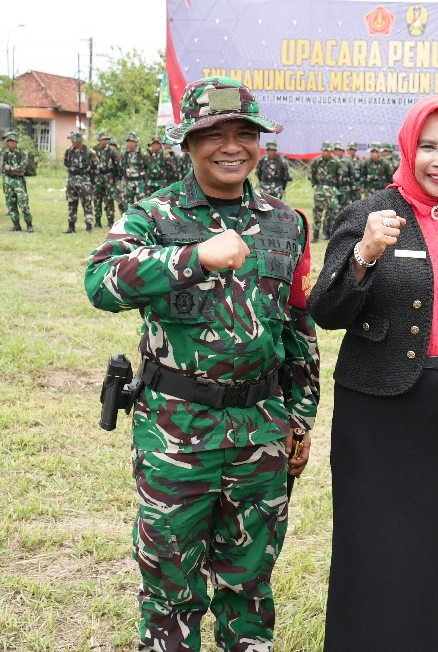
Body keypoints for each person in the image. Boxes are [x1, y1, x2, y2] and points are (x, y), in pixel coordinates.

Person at [85, 75, 318, 652]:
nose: (231, 147)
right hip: (176, 432)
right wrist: (192, 258)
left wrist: (301, 418)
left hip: (260, 430)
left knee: (250, 581)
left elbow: (297, 327)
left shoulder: (285, 222)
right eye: (214, 134)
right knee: (171, 581)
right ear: (188, 142)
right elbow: (100, 282)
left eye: (245, 134)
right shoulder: (154, 216)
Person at [309, 94, 438, 652]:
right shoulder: (371, 214)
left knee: (430, 542)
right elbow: (325, 310)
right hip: (376, 410)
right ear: (408, 148)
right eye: (428, 146)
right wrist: (364, 254)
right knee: (370, 543)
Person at [0, 132, 33, 233]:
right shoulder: (4, 153)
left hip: (19, 182)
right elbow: (1, 167)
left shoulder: (22, 153)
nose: (11, 143)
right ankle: (16, 225)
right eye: (9, 141)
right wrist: (13, 169)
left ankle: (29, 225)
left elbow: (22, 167)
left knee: (23, 204)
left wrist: (9, 168)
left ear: (16, 142)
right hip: (8, 183)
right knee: (11, 205)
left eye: (13, 141)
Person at [308, 141, 341, 242]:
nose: (326, 153)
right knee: (317, 212)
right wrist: (315, 184)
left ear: (331, 151)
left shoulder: (336, 162)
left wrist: (336, 188)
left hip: (332, 190)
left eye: (328, 151)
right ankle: (316, 234)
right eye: (325, 150)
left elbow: (340, 176)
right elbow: (311, 174)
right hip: (320, 189)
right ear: (322, 151)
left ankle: (328, 232)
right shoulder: (316, 161)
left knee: (332, 212)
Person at [64, 131, 96, 233]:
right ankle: (71, 226)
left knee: (87, 204)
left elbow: (96, 167)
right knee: (71, 204)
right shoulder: (69, 151)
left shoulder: (89, 152)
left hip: (84, 181)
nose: (72, 142)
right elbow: (66, 163)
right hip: (72, 181)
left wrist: (91, 180)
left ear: (79, 140)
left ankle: (89, 226)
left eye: (73, 140)